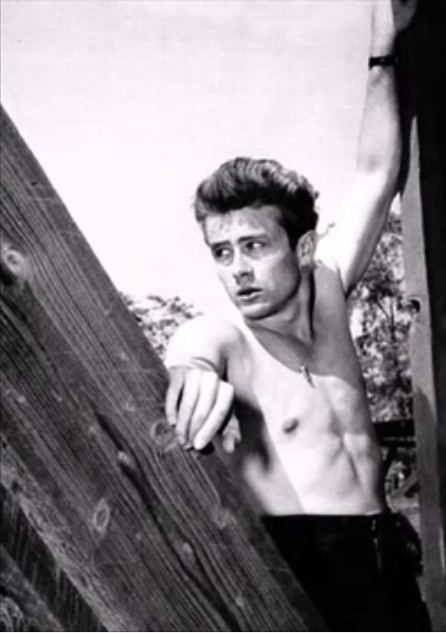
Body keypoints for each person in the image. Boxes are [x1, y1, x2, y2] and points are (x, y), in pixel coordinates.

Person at [164, 1, 430, 630]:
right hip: (303, 575)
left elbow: (377, 173)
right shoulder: (228, 339)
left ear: (303, 248)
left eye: (254, 245)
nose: (237, 270)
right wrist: (189, 371)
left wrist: (382, 44)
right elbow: (194, 346)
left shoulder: (328, 290)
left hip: (385, 559)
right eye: (222, 252)